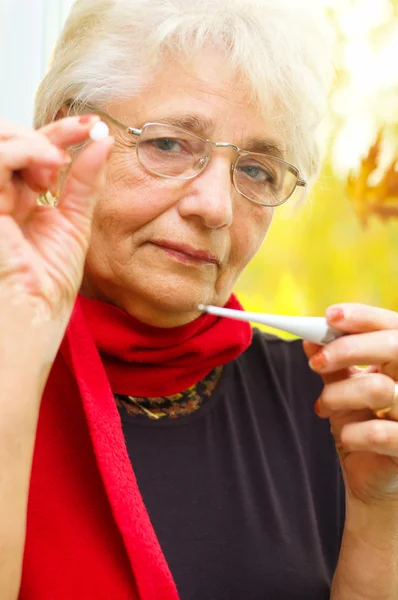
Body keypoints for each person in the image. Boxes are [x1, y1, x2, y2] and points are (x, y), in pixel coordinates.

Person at [1, 0, 397, 598]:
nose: (215, 207)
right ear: (67, 142)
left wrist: (380, 513)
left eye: (258, 171)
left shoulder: (335, 410)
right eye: (169, 144)